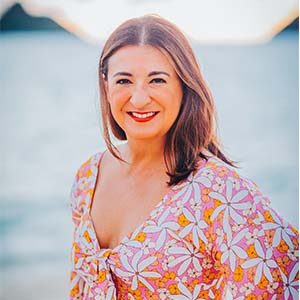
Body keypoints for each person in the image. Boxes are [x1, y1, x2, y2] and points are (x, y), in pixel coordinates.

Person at [69, 14, 299, 299]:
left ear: (184, 86)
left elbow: (286, 281)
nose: (139, 98)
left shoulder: (219, 193)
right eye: (124, 80)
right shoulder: (88, 177)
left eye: (157, 80)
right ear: (106, 86)